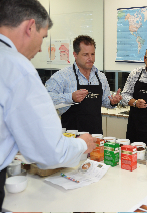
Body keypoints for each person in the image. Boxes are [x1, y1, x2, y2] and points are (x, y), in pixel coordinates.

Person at [0, 0, 96, 210]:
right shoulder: (17, 67)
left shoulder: (100, 76)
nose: (41, 47)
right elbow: (49, 152)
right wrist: (81, 144)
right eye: (43, 37)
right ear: (30, 27)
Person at [46, 35, 122, 134]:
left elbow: (105, 101)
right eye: (85, 54)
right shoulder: (62, 76)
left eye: (93, 54)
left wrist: (112, 102)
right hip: (71, 136)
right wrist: (71, 97)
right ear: (75, 54)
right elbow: (46, 98)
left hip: (95, 135)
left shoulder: (101, 77)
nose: (90, 58)